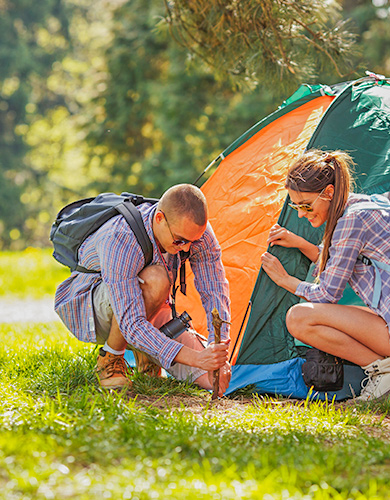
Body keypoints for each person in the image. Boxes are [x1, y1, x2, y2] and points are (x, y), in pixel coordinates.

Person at [55, 184, 231, 395]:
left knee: (217, 381)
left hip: (149, 310)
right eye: (180, 241)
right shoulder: (120, 237)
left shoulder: (196, 234)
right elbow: (131, 323)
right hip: (97, 307)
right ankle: (110, 360)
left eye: (192, 242)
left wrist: (218, 347)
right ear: (159, 219)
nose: (186, 248)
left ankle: (146, 353)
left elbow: (215, 291)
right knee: (157, 279)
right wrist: (196, 358)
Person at [261, 149, 390, 402]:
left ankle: (382, 371)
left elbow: (328, 293)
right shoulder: (362, 206)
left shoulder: (352, 221)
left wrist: (285, 280)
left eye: (306, 205)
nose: (300, 213)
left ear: (328, 193)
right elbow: (341, 259)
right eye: (295, 205)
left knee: (299, 318)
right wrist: (299, 243)